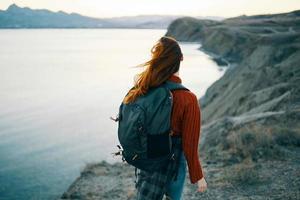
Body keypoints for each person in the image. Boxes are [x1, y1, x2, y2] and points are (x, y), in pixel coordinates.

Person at [122, 36, 207, 200]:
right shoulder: (187, 98)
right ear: (181, 59)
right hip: (173, 162)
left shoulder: (144, 90)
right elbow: (190, 145)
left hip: (147, 158)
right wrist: (198, 176)